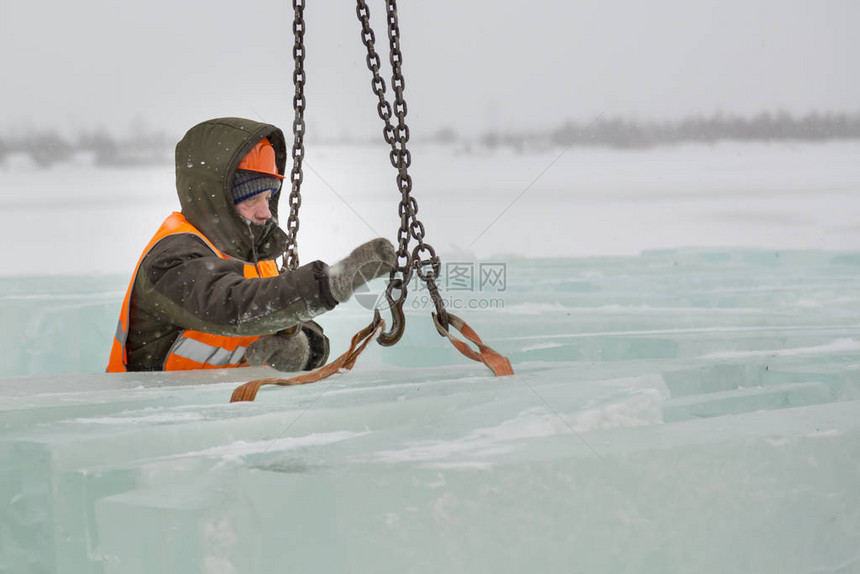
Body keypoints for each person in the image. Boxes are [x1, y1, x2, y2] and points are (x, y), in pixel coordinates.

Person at [107, 117, 395, 372]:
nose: (265, 213)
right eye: (251, 199)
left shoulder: (254, 255)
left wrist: (304, 348)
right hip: (151, 422)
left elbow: (290, 319)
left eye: (268, 197)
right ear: (216, 201)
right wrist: (328, 284)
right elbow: (232, 304)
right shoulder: (172, 260)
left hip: (228, 420)